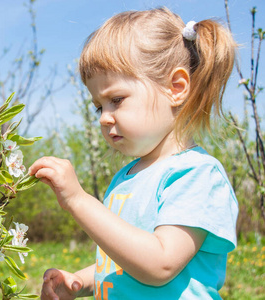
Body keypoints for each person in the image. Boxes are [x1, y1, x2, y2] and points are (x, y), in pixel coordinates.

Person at [28, 7, 239, 300]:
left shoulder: (196, 174)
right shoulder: (126, 177)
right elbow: (122, 262)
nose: (103, 117)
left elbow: (159, 264)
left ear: (175, 88)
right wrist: (80, 282)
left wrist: (78, 200)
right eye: (99, 106)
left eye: (116, 99)